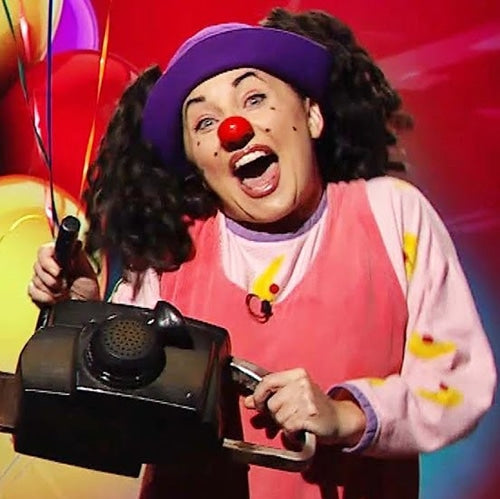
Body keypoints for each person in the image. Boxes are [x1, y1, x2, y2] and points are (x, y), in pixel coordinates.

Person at [28, 7, 496, 499]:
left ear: (311, 116)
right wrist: (80, 313)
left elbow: (457, 381)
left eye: (254, 98)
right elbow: (114, 413)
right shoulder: (170, 250)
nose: (233, 128)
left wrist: (348, 414)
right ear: (196, 161)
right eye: (205, 122)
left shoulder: (391, 213)